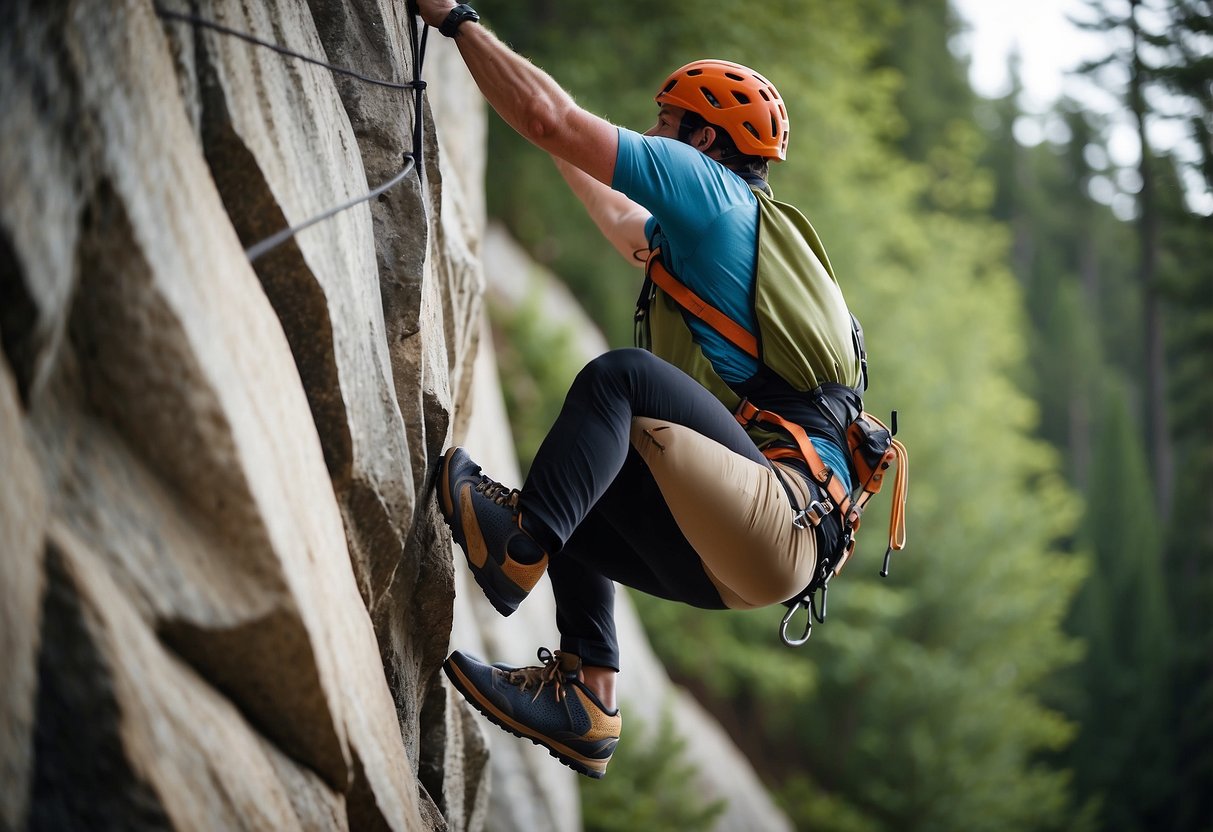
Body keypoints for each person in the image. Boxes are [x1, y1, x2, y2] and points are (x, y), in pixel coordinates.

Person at [419, 1, 872, 779]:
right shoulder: (714, 234)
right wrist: (537, 112)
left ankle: (517, 547)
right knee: (591, 484)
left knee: (618, 380)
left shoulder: (705, 186)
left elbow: (551, 119)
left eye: (662, 123)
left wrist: (453, 17)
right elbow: (599, 189)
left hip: (774, 512)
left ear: (702, 139)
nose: (650, 135)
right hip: (764, 557)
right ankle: (588, 698)